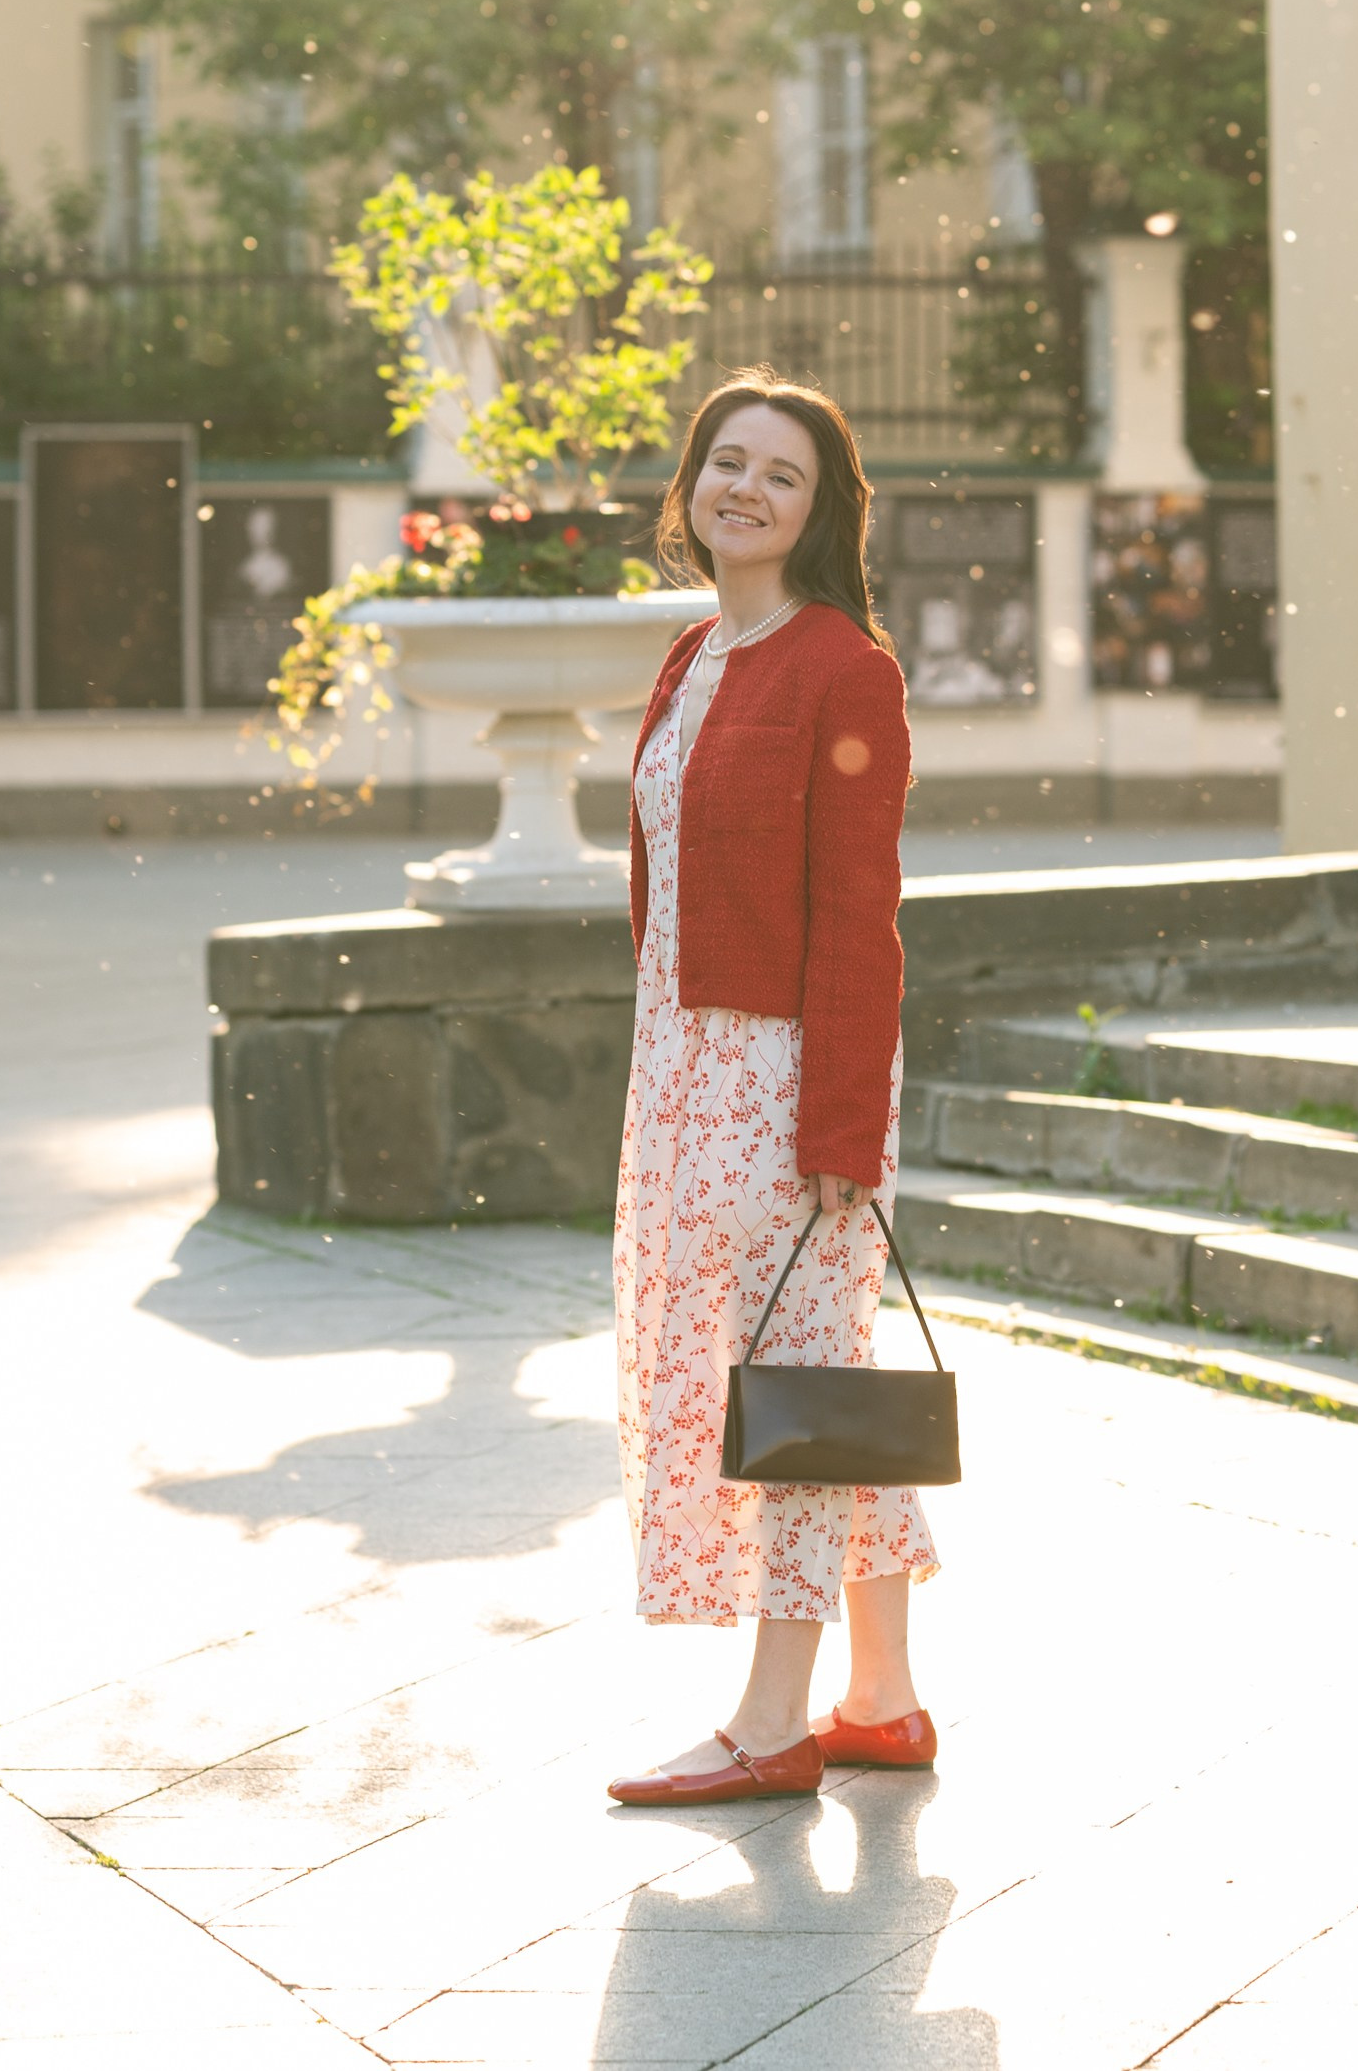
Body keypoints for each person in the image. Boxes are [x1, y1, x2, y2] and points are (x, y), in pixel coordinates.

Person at [607, 371, 940, 1808]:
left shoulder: (841, 668)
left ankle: (768, 1723)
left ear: (820, 511)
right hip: (678, 1064)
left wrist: (839, 1134)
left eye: (780, 475)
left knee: (777, 1391)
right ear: (689, 486)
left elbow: (861, 917)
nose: (744, 489)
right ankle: (881, 1697)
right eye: (724, 462)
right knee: (813, 1379)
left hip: (781, 1075)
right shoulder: (690, 659)